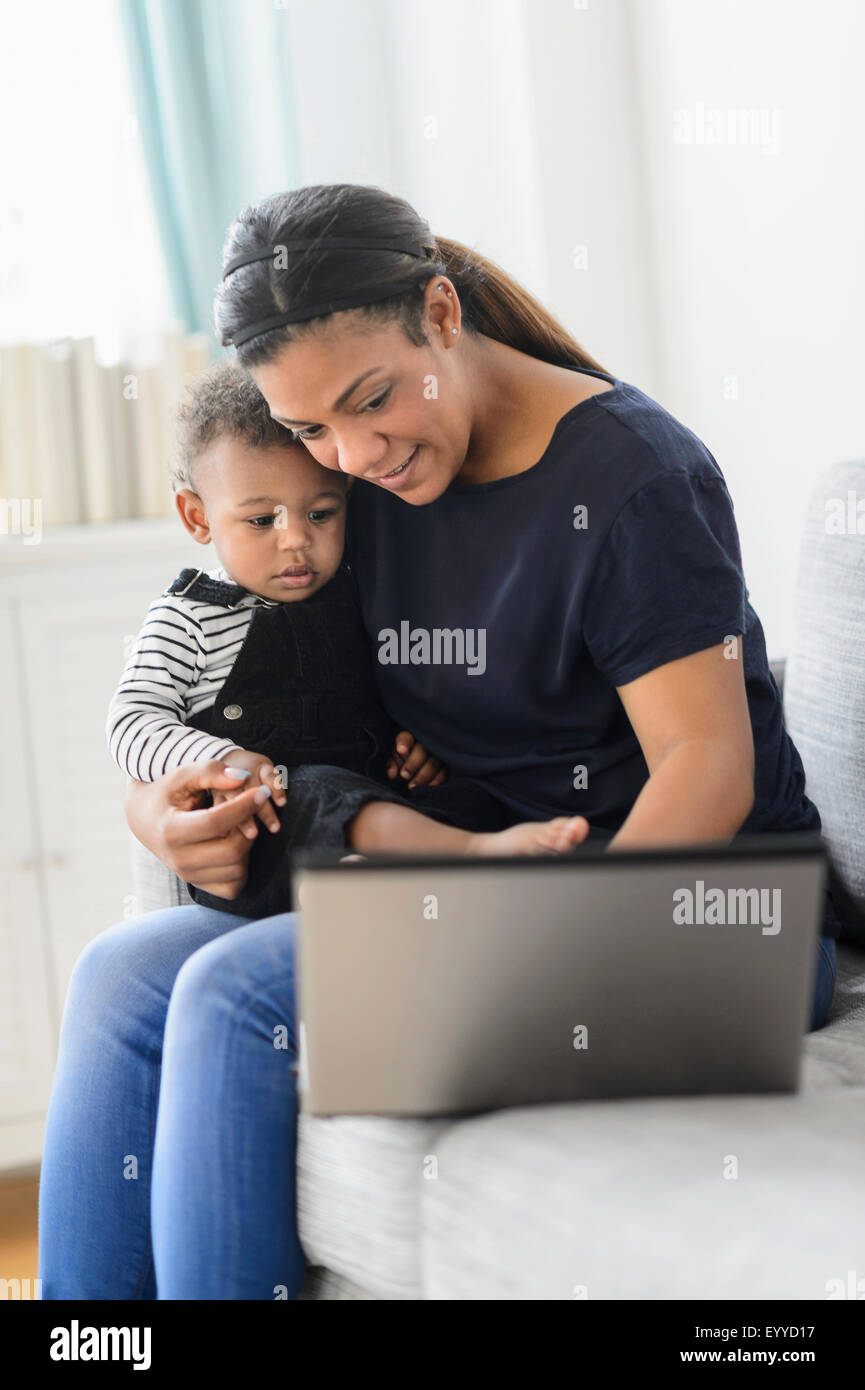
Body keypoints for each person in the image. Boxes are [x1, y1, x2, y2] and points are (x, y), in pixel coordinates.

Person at [39, 183, 840, 1302]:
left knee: (234, 995)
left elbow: (707, 771)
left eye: (368, 403)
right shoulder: (390, 474)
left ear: (441, 313)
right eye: (312, 428)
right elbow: (276, 693)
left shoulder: (635, 479)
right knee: (123, 971)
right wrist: (160, 808)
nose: (352, 455)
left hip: (706, 913)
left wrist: (519, 935)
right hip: (494, 871)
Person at [106, 362, 591, 919]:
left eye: (320, 513)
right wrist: (221, 760)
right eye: (262, 521)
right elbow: (129, 724)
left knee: (470, 796)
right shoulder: (188, 617)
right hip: (263, 833)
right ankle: (472, 856)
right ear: (198, 518)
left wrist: (413, 745)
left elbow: (382, 693)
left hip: (376, 798)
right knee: (320, 794)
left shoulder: (356, 593)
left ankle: (426, 868)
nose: (296, 540)